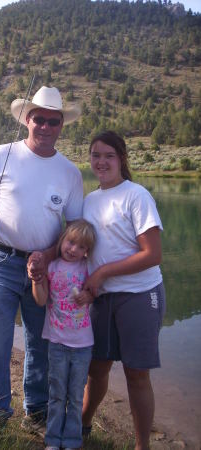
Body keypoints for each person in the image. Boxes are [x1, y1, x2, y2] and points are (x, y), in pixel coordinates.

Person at [0, 86, 83, 431]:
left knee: (39, 344)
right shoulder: (1, 154)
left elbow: (73, 230)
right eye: (38, 119)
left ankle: (37, 412)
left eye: (52, 121)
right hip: (0, 260)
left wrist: (47, 255)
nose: (44, 126)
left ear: (61, 126)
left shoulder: (70, 173)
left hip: (44, 268)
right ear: (26, 120)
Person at [80, 130, 166, 450]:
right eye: (95, 155)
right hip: (102, 299)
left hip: (140, 296)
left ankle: (142, 445)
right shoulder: (89, 200)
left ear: (122, 159)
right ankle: (84, 424)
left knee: (136, 375)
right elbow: (86, 249)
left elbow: (152, 254)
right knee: (96, 368)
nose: (101, 162)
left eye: (109, 156)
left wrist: (102, 272)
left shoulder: (137, 195)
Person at [30, 219, 96, 450]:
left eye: (80, 247)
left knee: (76, 396)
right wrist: (36, 279)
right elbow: (40, 300)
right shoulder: (51, 267)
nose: (72, 249)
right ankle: (52, 440)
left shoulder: (89, 268)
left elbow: (97, 291)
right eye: (70, 242)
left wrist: (89, 296)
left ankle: (71, 441)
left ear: (87, 251)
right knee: (57, 394)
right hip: (56, 342)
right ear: (62, 240)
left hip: (82, 345)